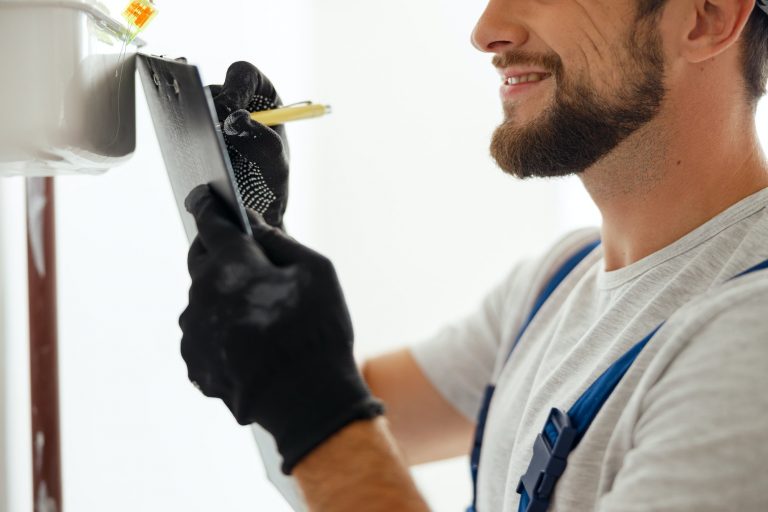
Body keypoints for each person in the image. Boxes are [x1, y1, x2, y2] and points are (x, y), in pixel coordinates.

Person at [179, 0, 768, 510]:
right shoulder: (556, 283)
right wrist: (255, 233)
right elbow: (342, 425)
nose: (487, 29)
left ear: (705, 17)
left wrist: (315, 407)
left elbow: (324, 418)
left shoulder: (749, 343)